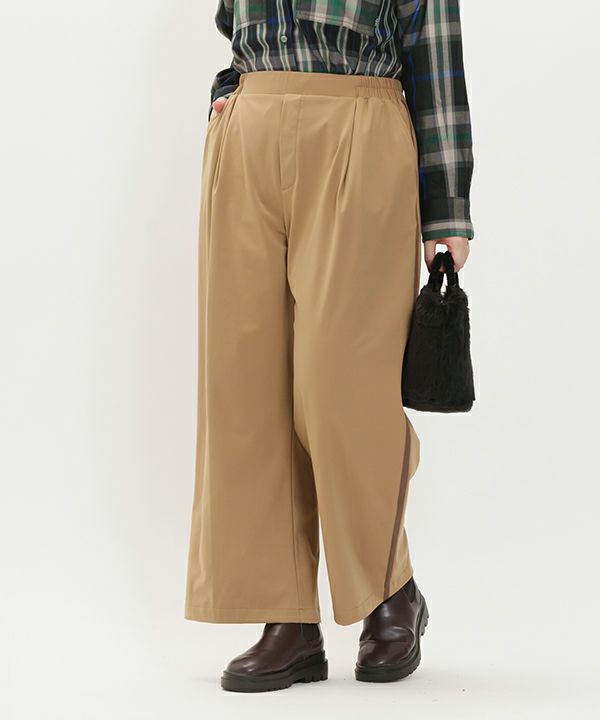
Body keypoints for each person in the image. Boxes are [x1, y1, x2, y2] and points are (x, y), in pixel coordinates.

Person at [185, 0, 474, 692]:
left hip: (359, 124)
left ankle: (389, 588)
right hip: (248, 136)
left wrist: (447, 211)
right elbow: (234, 24)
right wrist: (230, 91)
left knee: (343, 385)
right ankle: (284, 616)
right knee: (245, 384)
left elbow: (435, 51)